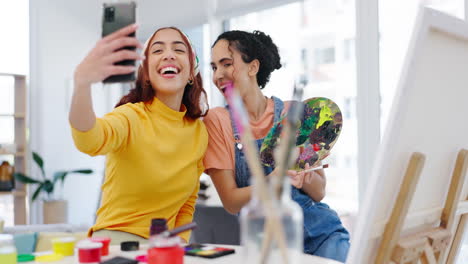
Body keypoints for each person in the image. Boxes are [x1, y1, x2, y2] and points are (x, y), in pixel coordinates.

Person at [204, 30, 350, 262]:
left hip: (323, 235)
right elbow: (231, 202)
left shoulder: (293, 113)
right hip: (266, 246)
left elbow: (319, 192)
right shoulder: (217, 120)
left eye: (226, 64)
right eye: (213, 67)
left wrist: (305, 171)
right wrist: (275, 180)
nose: (217, 75)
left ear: (253, 67)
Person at [69, 24, 208, 244]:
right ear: (146, 73)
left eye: (179, 50)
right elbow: (89, 140)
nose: (169, 55)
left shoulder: (199, 132)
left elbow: (187, 204)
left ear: (192, 72)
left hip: (164, 249)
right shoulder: (130, 117)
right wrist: (82, 83)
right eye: (158, 50)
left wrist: (179, 246)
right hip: (116, 245)